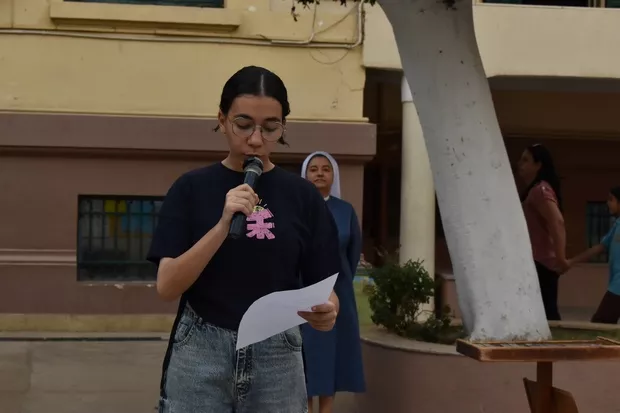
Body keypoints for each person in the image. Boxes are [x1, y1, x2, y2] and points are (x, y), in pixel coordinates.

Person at [146, 66, 342, 413]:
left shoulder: (303, 197)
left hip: (277, 351)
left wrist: (328, 310)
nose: (255, 139)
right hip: (201, 347)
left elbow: (324, 285)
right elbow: (167, 285)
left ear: (283, 127)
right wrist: (223, 225)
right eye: (243, 124)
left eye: (270, 128)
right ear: (221, 120)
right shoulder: (190, 188)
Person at [300, 151, 365, 413]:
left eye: (325, 169)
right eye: (313, 169)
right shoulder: (297, 208)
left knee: (333, 357)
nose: (319, 173)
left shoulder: (345, 210)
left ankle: (327, 409)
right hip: (302, 291)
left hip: (339, 293)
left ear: (334, 175)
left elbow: (352, 253)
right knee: (304, 356)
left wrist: (339, 284)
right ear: (305, 175)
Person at [518, 143, 568, 321]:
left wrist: (561, 258)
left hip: (541, 264)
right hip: (534, 262)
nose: (520, 164)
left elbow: (557, 221)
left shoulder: (541, 190)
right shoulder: (533, 191)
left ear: (538, 165)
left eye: (526, 160)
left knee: (547, 316)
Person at [568, 186, 620, 324]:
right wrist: (571, 262)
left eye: (611, 199)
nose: (608, 203)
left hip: (618, 286)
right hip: (615, 283)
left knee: (601, 321)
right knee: (604, 322)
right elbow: (599, 247)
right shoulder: (617, 225)